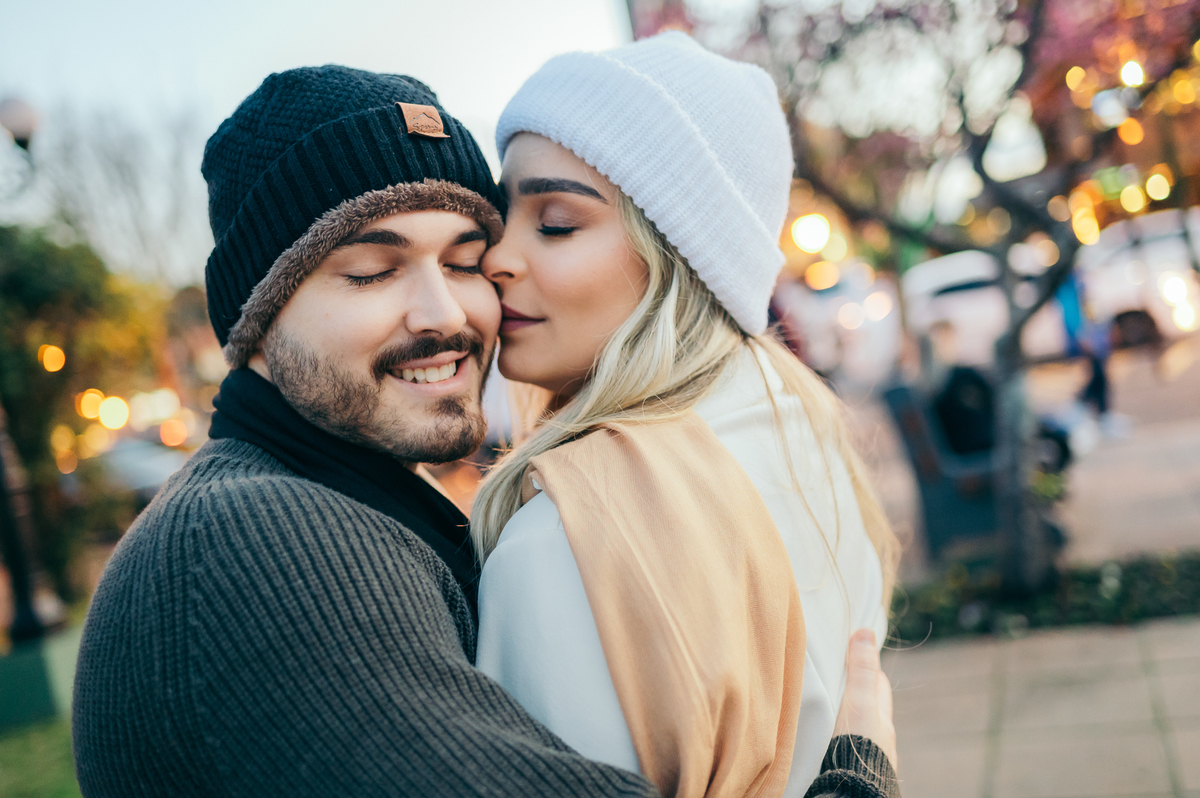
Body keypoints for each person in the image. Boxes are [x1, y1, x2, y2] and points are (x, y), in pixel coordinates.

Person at [71, 65, 658, 798]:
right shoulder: (250, 540)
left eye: (466, 262)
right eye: (374, 271)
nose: (445, 313)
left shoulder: (338, 501)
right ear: (258, 322)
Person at [472, 33, 900, 798]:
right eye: (504, 214)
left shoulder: (561, 544)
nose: (497, 255)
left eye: (556, 222)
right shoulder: (804, 435)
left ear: (678, 254)